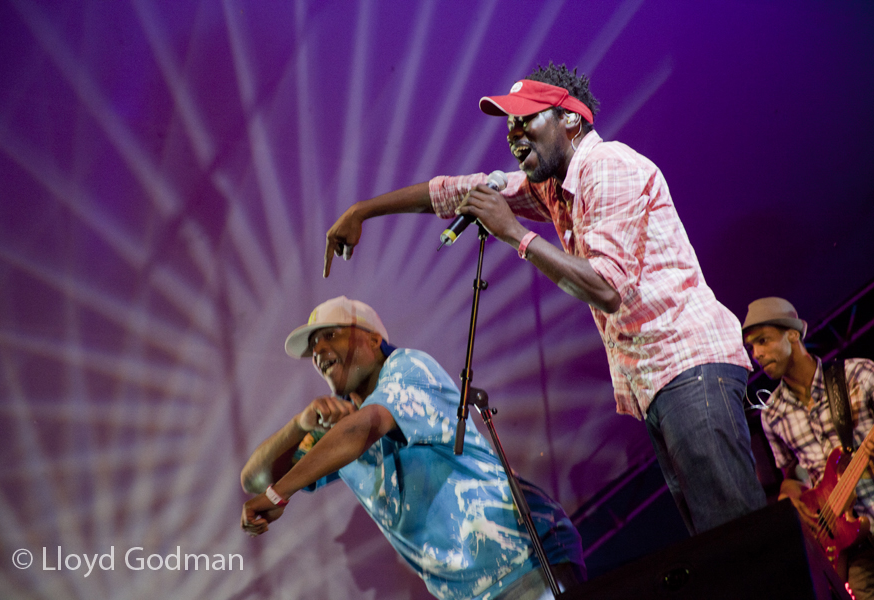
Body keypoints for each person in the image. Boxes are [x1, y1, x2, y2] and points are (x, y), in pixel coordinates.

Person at [323, 62, 766, 535]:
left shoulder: (607, 166)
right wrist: (362, 211)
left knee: (736, 537)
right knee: (715, 541)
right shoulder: (555, 188)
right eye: (509, 125)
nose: (513, 135)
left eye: (525, 120)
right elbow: (453, 192)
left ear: (570, 120)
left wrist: (514, 234)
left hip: (689, 365)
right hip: (661, 381)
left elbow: (607, 288)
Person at [240, 296, 586, 600]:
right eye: (313, 346)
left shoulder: (407, 367)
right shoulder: (335, 426)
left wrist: (277, 495)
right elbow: (254, 479)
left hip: (523, 560)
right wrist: (299, 425)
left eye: (330, 335)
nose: (318, 351)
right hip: (470, 591)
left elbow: (367, 426)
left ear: (374, 338)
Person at [743, 296, 874, 597]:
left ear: (792, 334)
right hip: (851, 545)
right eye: (752, 348)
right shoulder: (772, 415)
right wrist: (790, 500)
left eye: (763, 341)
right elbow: (793, 475)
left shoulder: (858, 375)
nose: (756, 355)